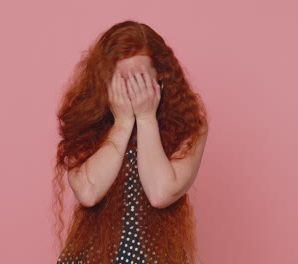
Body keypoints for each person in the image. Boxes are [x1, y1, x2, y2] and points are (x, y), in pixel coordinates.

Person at [52, 20, 209, 264]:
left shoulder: (189, 126)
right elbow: (88, 192)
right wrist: (123, 122)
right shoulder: (83, 120)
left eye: (139, 79)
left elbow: (161, 193)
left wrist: (146, 118)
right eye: (121, 81)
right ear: (104, 80)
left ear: (161, 76)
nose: (130, 90)